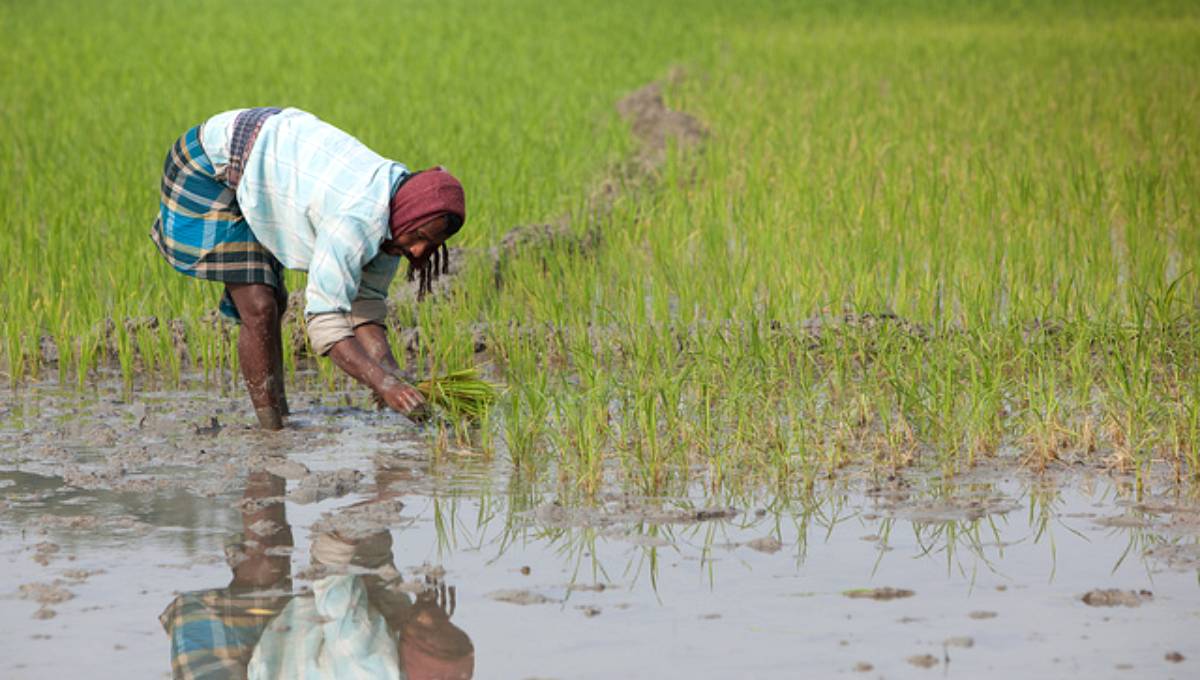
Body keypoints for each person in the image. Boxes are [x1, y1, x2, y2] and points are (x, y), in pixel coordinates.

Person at [151, 107, 466, 429]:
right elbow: (325, 322)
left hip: (264, 157)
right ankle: (272, 430)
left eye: (429, 247)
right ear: (409, 215)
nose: (416, 251)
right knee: (260, 306)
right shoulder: (358, 220)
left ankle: (279, 416)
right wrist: (382, 384)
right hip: (211, 164)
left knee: (274, 302)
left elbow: (364, 306)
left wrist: (391, 371)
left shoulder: (397, 220)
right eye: (419, 237)